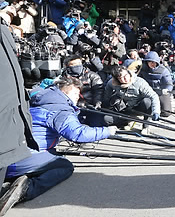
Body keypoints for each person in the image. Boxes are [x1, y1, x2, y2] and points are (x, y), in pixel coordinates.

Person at [2, 78, 116, 212]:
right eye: (75, 94)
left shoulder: (37, 99)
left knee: (54, 153)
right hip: (17, 159)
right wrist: (107, 131)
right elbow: (78, 134)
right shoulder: (60, 109)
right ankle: (26, 189)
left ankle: (18, 176)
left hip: (6, 154)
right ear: (65, 91)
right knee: (64, 165)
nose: (77, 98)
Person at [0, 20, 39, 216]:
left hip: (9, 132)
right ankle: (24, 191)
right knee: (62, 165)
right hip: (9, 135)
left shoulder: (3, 29)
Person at [103, 65, 161, 134]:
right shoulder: (112, 83)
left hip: (139, 107)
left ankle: (146, 125)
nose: (125, 79)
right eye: (121, 78)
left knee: (147, 101)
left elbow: (154, 96)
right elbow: (106, 96)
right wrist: (103, 105)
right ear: (117, 79)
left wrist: (156, 111)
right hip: (124, 108)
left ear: (128, 73)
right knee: (106, 119)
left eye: (126, 75)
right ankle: (127, 121)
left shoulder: (139, 82)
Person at [139, 51, 173, 117]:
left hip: (161, 92)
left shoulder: (163, 70)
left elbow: (169, 83)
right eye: (150, 62)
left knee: (166, 113)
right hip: (147, 92)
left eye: (154, 62)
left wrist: (167, 90)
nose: (152, 64)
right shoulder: (142, 69)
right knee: (145, 105)